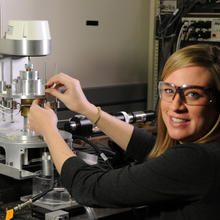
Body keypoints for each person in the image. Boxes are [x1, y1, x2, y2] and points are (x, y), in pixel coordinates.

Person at [28, 44, 220, 220]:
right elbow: (154, 150)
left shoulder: (199, 160)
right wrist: (87, 109)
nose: (176, 105)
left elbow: (89, 188)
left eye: (193, 94)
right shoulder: (204, 152)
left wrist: (49, 131)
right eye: (169, 90)